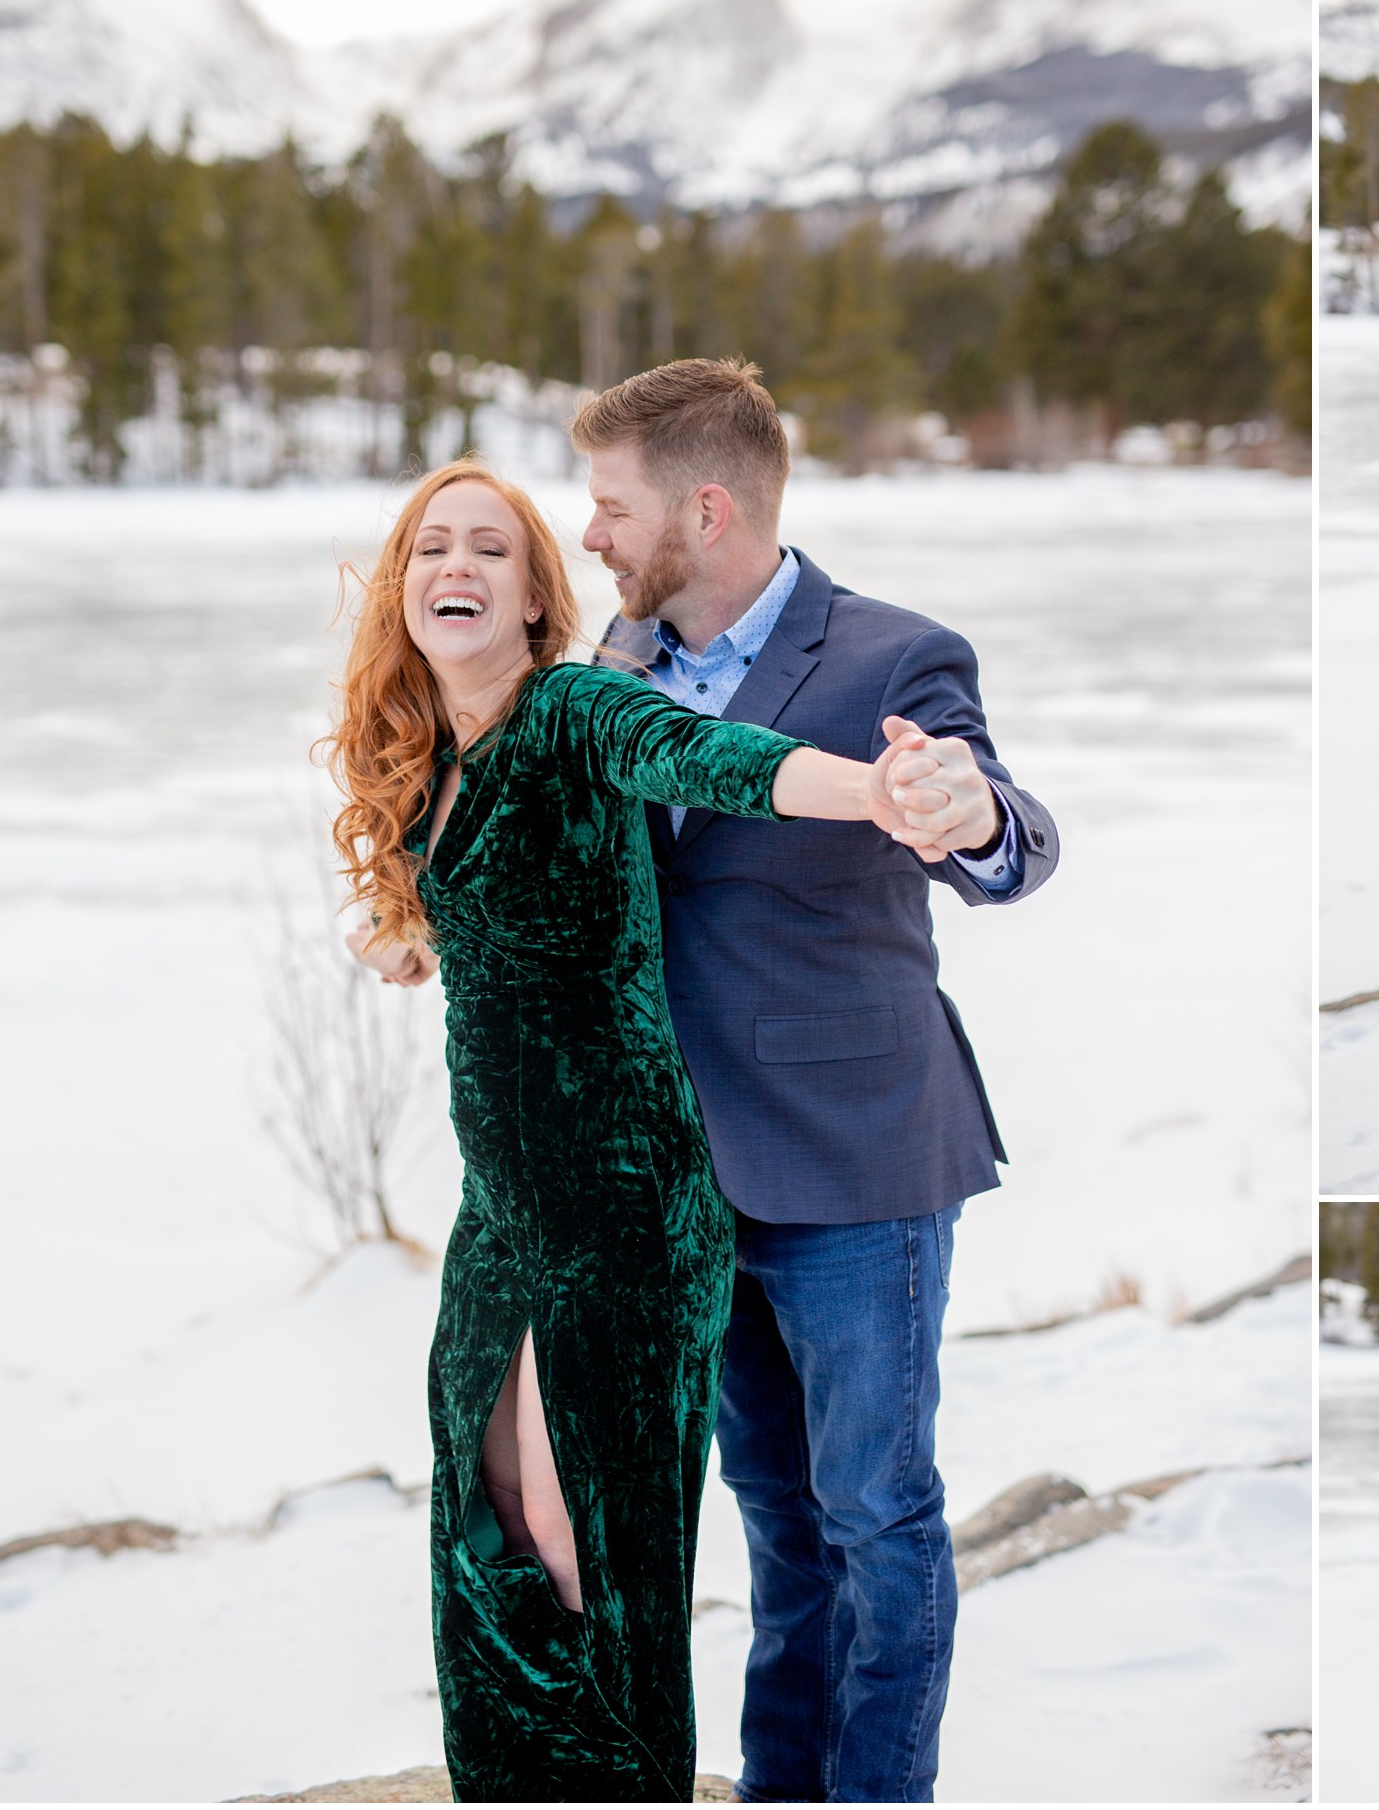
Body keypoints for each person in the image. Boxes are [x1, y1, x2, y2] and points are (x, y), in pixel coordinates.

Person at [326, 459, 946, 1801]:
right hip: (505, 1214)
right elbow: (492, 904)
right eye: (434, 547)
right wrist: (409, 927)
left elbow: (712, 756)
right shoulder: (435, 748)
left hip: (625, 1208)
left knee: (577, 1538)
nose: (459, 569)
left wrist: (875, 793)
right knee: (486, 1525)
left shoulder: (575, 706)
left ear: (537, 600)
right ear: (403, 585)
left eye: (492, 549)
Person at [575, 358, 1058, 1803]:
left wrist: (969, 812)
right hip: (689, 1182)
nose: (589, 535)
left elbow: (1004, 828)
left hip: (858, 1158)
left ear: (704, 508)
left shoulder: (892, 656)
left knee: (877, 1514)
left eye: (609, 506)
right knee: (775, 1519)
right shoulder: (613, 665)